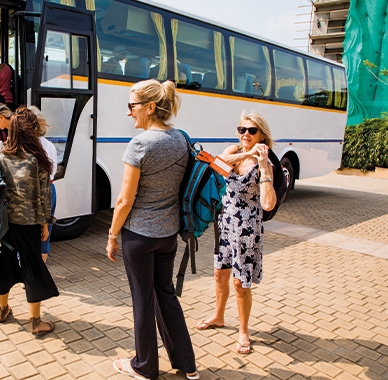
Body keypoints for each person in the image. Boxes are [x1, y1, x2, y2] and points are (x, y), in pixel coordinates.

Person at [106, 79, 199, 380]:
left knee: (143, 301)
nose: (129, 112)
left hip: (139, 237)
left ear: (149, 107)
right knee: (166, 295)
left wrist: (111, 235)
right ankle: (187, 364)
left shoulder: (141, 144)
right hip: (168, 235)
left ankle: (144, 366)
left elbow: (124, 199)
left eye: (132, 106)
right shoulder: (181, 139)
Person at [195, 112, 276, 355]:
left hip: (246, 231)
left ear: (262, 134)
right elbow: (217, 163)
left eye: (251, 131)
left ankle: (243, 331)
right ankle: (219, 316)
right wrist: (248, 153)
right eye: (242, 129)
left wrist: (262, 166)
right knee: (220, 273)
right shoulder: (233, 152)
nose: (245, 134)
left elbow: (268, 204)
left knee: (240, 282)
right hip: (225, 224)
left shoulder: (265, 163)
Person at [0, 106, 58, 335]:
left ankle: (3, 310)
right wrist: (45, 225)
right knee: (32, 268)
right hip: (29, 223)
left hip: (2, 223)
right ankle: (35, 322)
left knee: (3, 267)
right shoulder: (38, 158)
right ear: (32, 130)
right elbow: (44, 197)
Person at [28, 106, 58, 263]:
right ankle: (40, 275)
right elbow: (53, 170)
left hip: (32, 192)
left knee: (27, 234)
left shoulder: (24, 147)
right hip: (50, 190)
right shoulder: (49, 145)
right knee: (44, 236)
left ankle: (27, 276)